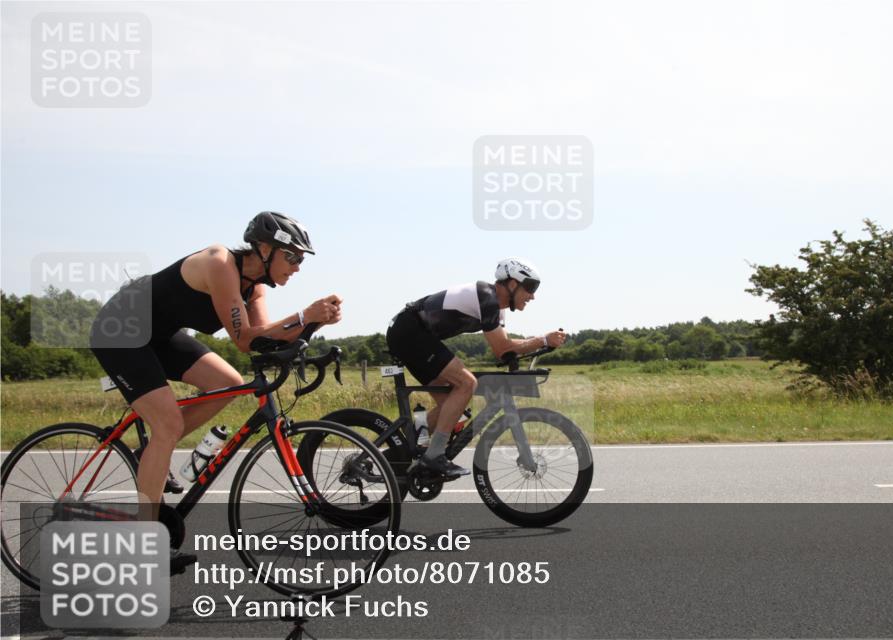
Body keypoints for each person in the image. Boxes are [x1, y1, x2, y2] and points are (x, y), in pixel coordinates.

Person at [89, 211, 341, 571]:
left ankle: (156, 452)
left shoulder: (253, 287)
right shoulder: (219, 263)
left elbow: (262, 336)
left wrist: (312, 323)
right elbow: (243, 338)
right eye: (294, 257)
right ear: (265, 248)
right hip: (122, 330)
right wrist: (304, 315)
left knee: (229, 384)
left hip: (158, 336)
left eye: (301, 259)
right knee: (168, 425)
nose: (298, 267)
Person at [385, 258, 566, 478]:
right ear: (511, 284)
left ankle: (402, 450)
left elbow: (504, 352)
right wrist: (543, 340)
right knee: (467, 383)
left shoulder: (497, 310)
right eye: (530, 287)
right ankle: (434, 456)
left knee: (452, 408)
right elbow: (502, 346)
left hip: (413, 334)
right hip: (411, 331)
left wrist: (533, 350)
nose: (533, 295)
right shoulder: (487, 298)